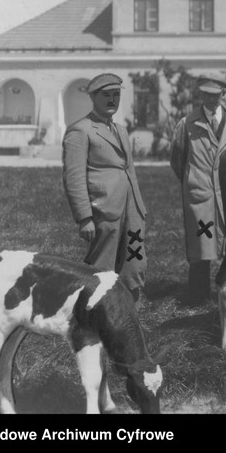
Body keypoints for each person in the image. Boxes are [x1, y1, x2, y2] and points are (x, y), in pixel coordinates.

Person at [62, 73, 147, 302]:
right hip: (104, 208)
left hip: (131, 207)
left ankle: (128, 309)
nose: (112, 100)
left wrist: (139, 206)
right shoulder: (81, 130)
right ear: (93, 97)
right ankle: (93, 313)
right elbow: (74, 177)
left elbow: (129, 169)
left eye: (116, 95)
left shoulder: (120, 130)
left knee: (134, 260)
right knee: (101, 265)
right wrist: (84, 218)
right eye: (106, 95)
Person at [171, 73, 226, 304]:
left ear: (223, 94)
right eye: (206, 94)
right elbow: (178, 160)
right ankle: (198, 296)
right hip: (201, 197)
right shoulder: (186, 124)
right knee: (201, 245)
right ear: (200, 94)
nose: (211, 99)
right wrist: (193, 181)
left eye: (215, 95)